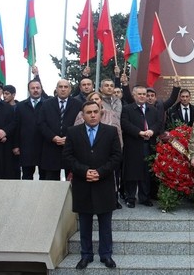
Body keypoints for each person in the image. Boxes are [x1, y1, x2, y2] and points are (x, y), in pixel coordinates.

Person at [62, 101, 122, 270]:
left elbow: (117, 157)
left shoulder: (111, 131)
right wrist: (84, 171)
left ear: (101, 113)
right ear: (83, 114)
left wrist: (101, 172)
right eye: (89, 112)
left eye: (96, 111)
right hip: (83, 184)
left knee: (105, 224)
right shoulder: (73, 132)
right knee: (85, 223)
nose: (93, 115)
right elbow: (67, 157)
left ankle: (106, 255)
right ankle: (86, 255)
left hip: (104, 184)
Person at [74, 91, 123, 209]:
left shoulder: (111, 115)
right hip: (85, 160)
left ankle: (114, 199)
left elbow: (118, 132)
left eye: (97, 99)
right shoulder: (80, 117)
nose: (93, 115)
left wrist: (119, 149)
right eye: (93, 99)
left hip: (106, 159)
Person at [121, 86, 161, 208]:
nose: (143, 96)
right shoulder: (127, 109)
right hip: (134, 144)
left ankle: (144, 197)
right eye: (140, 94)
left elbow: (158, 123)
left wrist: (152, 131)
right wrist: (139, 132)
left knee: (146, 173)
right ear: (134, 95)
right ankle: (131, 198)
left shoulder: (153, 109)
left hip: (149, 144)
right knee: (132, 172)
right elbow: (125, 124)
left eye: (144, 94)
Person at [38, 79, 82, 180]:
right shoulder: (46, 104)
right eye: (60, 87)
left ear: (70, 89)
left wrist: (69, 138)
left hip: (71, 147)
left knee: (72, 181)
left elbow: (81, 123)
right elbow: (41, 123)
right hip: (51, 146)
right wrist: (53, 137)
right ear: (56, 89)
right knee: (51, 181)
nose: (63, 89)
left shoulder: (78, 104)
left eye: (66, 87)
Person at [13, 79, 48, 180]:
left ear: (41, 89)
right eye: (33, 88)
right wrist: (15, 145)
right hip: (26, 147)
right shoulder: (20, 106)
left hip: (44, 146)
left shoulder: (48, 104)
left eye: (38, 88)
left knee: (44, 176)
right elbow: (16, 126)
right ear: (29, 90)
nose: (35, 90)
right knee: (27, 176)